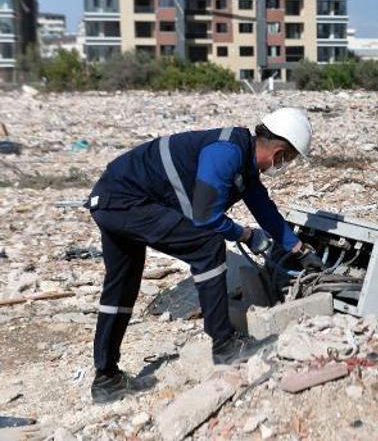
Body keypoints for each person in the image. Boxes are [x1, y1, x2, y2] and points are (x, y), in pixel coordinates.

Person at [86, 108, 323, 403]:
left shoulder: (243, 161)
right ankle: (224, 344)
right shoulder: (226, 152)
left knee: (122, 285)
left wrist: (299, 249)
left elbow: (264, 209)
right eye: (286, 159)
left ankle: (106, 379)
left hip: (111, 200)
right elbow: (206, 217)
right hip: (125, 200)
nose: (282, 165)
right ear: (278, 151)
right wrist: (246, 235)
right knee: (207, 246)